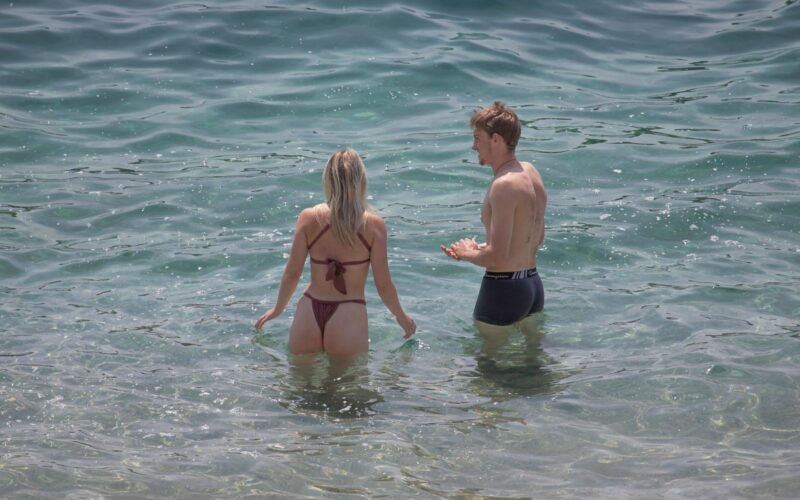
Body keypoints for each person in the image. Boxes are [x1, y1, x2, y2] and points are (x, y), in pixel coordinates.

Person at [255, 148, 416, 358]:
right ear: (361, 181)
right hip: (348, 314)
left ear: (328, 180)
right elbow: (383, 285)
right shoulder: (373, 225)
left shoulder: (309, 218)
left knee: (297, 379)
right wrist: (402, 317)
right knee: (349, 380)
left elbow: (292, 274)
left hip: (309, 311)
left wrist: (277, 309)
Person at [441, 102, 547, 352]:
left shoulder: (504, 184)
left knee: (485, 367)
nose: (474, 146)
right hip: (532, 285)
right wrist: (481, 247)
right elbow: (534, 237)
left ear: (496, 139)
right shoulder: (530, 172)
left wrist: (466, 253)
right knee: (533, 363)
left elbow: (498, 257)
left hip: (503, 290)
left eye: (478, 138)